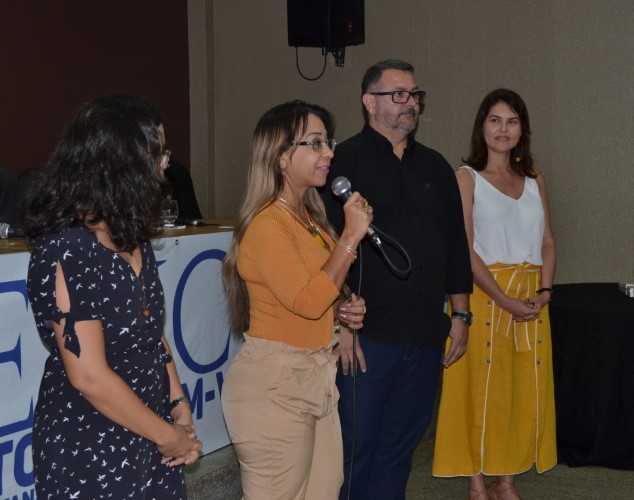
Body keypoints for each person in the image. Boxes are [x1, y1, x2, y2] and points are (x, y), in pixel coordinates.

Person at [22, 94, 202, 499]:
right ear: (119, 162)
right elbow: (89, 376)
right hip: (90, 445)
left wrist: (179, 405)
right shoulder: (66, 248)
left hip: (152, 432)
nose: (165, 165)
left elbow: (151, 333)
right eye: (156, 153)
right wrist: (168, 436)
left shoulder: (132, 235)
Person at [320, 59, 473, 499]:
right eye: (399, 94)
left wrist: (460, 313)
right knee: (356, 448)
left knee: (399, 450)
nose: (411, 104)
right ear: (370, 102)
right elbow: (324, 247)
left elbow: (455, 245)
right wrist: (340, 324)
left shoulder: (436, 166)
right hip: (367, 337)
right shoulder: (342, 164)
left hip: (424, 335)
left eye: (415, 95)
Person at [220, 100, 373, 499]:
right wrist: (350, 237)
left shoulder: (309, 218)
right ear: (282, 156)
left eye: (328, 142)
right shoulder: (267, 224)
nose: (329, 153)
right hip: (274, 384)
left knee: (325, 489)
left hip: (314, 375)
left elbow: (316, 295)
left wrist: (341, 311)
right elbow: (306, 301)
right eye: (316, 143)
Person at [432, 88, 557, 500]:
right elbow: (464, 250)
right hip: (484, 297)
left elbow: (547, 241)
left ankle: (506, 481)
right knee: (477, 391)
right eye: (495, 120)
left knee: (518, 392)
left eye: (512, 121)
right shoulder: (465, 179)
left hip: (531, 297)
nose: (504, 129)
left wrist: (545, 292)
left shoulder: (535, 177)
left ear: (523, 130)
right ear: (481, 126)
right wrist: (503, 300)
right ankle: (476, 486)